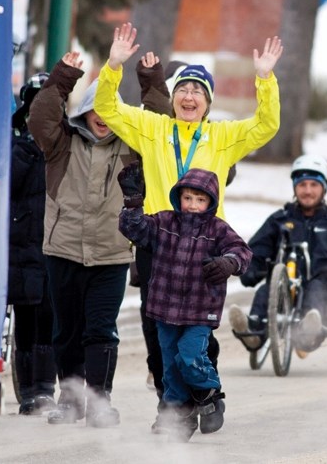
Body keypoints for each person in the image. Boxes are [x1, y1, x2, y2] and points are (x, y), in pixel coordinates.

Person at [93, 22, 282, 424]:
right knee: (157, 330)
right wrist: (113, 66)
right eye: (183, 88)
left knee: (198, 331)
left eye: (198, 90)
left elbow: (266, 125)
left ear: (208, 102)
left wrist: (264, 79)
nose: (189, 95)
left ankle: (204, 394)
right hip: (158, 242)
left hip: (208, 246)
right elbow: (107, 109)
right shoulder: (153, 127)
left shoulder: (222, 137)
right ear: (173, 97)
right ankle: (171, 404)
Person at [28, 51, 138, 428]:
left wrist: (153, 83)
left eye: (109, 111)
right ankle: (71, 400)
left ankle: (99, 402)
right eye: (96, 110)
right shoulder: (61, 144)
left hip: (111, 255)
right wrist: (63, 78)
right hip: (64, 251)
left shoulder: (132, 151)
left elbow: (160, 121)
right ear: (85, 112)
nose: (102, 118)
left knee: (100, 330)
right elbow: (40, 118)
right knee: (67, 330)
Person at [118, 165, 252, 441]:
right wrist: (133, 201)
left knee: (190, 355)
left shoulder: (217, 229)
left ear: (211, 202)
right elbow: (135, 230)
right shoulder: (164, 222)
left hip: (200, 311)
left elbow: (242, 252)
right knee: (169, 366)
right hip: (164, 309)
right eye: (187, 198)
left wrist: (228, 262)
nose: (192, 205)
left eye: (200, 200)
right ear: (178, 196)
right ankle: (180, 413)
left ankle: (210, 393)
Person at [228, 154, 327, 355]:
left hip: (323, 289)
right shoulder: (279, 221)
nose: (308, 191)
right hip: (283, 287)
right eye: (302, 185)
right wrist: (250, 268)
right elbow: (257, 249)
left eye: (314, 185)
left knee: (315, 291)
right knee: (265, 291)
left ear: (324, 188)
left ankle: (308, 332)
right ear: (295, 188)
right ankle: (252, 333)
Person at [8, 73, 57, 415]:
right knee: (27, 321)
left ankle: (45, 389)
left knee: (50, 321)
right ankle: (27, 391)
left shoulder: (65, 146)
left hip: (55, 247)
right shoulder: (16, 148)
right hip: (21, 248)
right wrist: (27, 150)